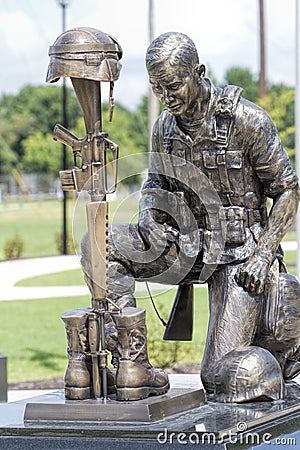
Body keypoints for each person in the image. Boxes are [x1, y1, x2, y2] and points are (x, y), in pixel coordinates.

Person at [82, 32, 300, 402]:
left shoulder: (248, 122)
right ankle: (132, 363)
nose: (166, 98)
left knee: (222, 378)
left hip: (238, 255)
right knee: (99, 244)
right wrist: (150, 211)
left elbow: (288, 190)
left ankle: (278, 354)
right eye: (157, 88)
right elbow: (154, 180)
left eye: (173, 86)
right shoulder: (164, 128)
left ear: (197, 72)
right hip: (183, 247)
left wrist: (264, 256)